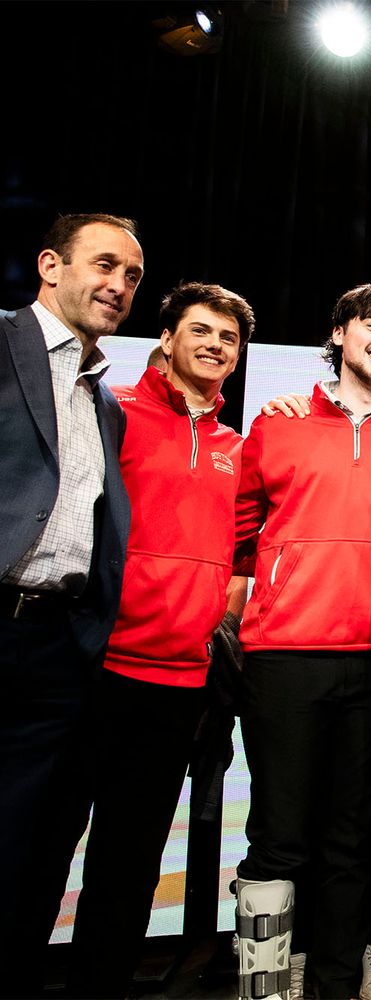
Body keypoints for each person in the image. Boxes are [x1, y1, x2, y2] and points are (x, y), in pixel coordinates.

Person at [232, 283, 371, 999]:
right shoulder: (276, 424)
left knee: (355, 842)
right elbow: (238, 537)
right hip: (284, 658)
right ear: (340, 333)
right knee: (279, 839)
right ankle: (262, 988)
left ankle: (338, 986)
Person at [64, 282, 254, 996]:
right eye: (200, 331)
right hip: (94, 669)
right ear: (167, 338)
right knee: (45, 850)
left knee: (130, 864)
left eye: (228, 338)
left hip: (178, 684)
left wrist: (212, 620)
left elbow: (241, 552)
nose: (214, 345)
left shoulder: (236, 443)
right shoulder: (114, 412)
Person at [0, 213, 140, 996]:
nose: (118, 286)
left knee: (37, 849)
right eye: (105, 265)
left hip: (60, 647)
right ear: (51, 265)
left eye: (131, 277)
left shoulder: (103, 400)